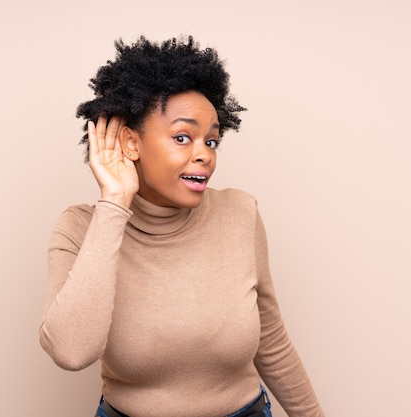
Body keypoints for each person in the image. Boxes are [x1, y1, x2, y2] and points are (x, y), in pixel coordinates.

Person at [39, 35, 325, 417]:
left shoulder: (239, 213)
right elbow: (71, 351)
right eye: (182, 137)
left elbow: (271, 340)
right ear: (130, 143)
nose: (204, 154)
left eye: (212, 141)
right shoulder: (80, 228)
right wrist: (115, 202)